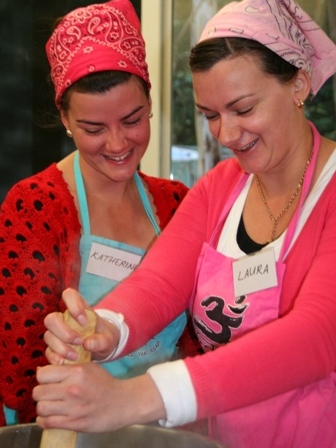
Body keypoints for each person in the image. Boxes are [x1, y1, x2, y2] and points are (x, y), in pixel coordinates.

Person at [33, 0, 336, 446]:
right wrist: (107, 327)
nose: (227, 135)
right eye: (211, 116)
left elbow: (315, 334)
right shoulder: (221, 188)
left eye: (243, 108)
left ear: (299, 84)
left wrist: (134, 398)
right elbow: (158, 284)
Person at [0, 0, 190, 427]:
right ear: (65, 118)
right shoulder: (36, 206)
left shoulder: (178, 203)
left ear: (150, 101)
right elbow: (19, 371)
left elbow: (195, 341)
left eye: (132, 119)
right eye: (93, 129)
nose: (118, 143)